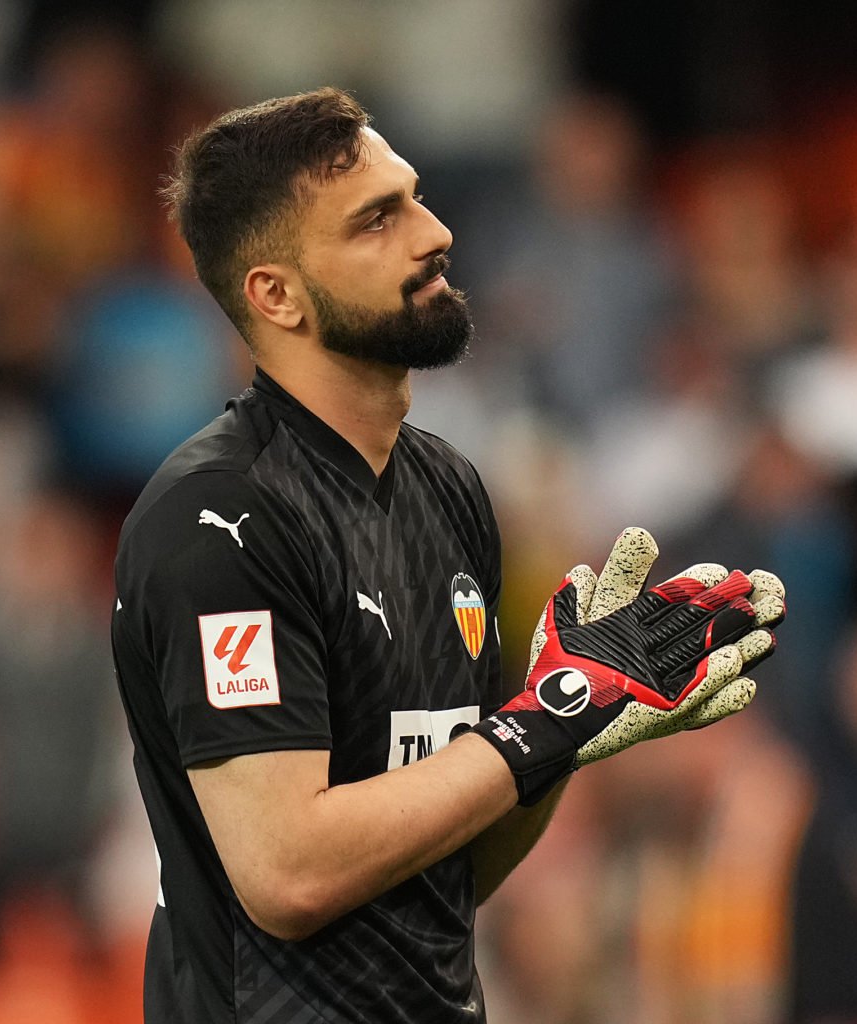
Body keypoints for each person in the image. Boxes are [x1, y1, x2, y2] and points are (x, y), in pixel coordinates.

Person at [110, 87, 786, 1024]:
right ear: (276, 295)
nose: (433, 234)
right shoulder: (222, 518)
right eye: (376, 221)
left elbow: (454, 869)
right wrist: (540, 724)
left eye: (415, 198)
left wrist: (566, 733)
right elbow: (288, 873)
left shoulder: (453, 494)